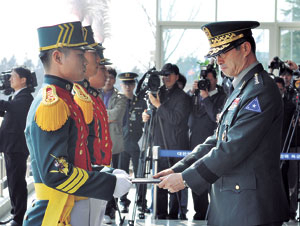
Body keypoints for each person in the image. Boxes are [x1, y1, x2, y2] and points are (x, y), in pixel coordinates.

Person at [154, 21, 289, 226]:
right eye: (216, 55)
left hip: (250, 210)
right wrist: (179, 168)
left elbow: (232, 148)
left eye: (223, 52)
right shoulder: (242, 88)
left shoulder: (260, 90)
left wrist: (185, 178)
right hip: (233, 205)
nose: (218, 60)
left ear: (245, 48)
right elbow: (217, 139)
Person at [23, 21, 131, 226]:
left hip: (69, 205)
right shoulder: (52, 104)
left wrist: (103, 172)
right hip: (57, 212)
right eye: (80, 55)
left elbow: (75, 157)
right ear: (57, 57)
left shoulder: (64, 98)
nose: (86, 61)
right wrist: (107, 183)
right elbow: (57, 173)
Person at [142, 63, 191, 219]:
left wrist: (158, 105)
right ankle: (160, 214)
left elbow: (176, 119)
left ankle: (174, 214)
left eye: (170, 74)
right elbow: (154, 117)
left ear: (176, 77)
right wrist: (147, 116)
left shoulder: (183, 97)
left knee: (175, 183)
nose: (166, 78)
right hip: (159, 145)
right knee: (159, 182)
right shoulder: (157, 93)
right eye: (164, 75)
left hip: (176, 146)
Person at [187, 66, 226, 220]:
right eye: (204, 80)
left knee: (212, 180)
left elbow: (214, 116)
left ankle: (215, 213)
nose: (206, 83)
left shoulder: (222, 96)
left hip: (213, 144)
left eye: (209, 80)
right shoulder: (196, 95)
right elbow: (187, 113)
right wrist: (192, 93)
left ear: (216, 80)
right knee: (197, 179)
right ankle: (199, 212)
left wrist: (206, 96)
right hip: (196, 143)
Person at [0, 66, 34, 226]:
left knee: (17, 183)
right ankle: (15, 214)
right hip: (11, 146)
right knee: (14, 182)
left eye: (13, 76)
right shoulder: (18, 96)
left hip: (16, 147)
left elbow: (9, 108)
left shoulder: (26, 98)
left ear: (23, 80)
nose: (9, 79)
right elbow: (7, 110)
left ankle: (18, 218)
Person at [99, 66, 127, 222]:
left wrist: (99, 113)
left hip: (114, 144)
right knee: (100, 176)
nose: (108, 80)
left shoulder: (121, 97)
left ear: (115, 80)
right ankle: (101, 209)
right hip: (97, 142)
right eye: (106, 76)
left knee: (113, 177)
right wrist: (106, 115)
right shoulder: (94, 93)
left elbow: (117, 115)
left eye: (111, 78)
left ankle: (111, 210)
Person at [117, 72, 147, 213]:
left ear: (134, 85)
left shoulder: (141, 101)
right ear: (121, 85)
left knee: (139, 173)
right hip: (121, 143)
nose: (128, 87)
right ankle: (123, 201)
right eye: (125, 84)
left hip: (137, 142)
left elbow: (145, 123)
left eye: (130, 84)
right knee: (122, 174)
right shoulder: (118, 101)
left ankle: (141, 202)